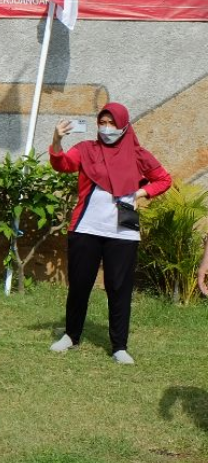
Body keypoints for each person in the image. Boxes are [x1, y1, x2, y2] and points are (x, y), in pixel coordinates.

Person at [48, 103, 171, 364]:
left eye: (112, 123)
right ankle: (71, 335)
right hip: (85, 228)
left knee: (119, 288)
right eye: (102, 123)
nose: (106, 129)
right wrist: (57, 140)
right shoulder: (86, 150)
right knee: (80, 285)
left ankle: (119, 347)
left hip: (123, 230)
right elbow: (62, 164)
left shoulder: (138, 155)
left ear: (124, 124)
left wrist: (141, 192)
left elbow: (163, 179)